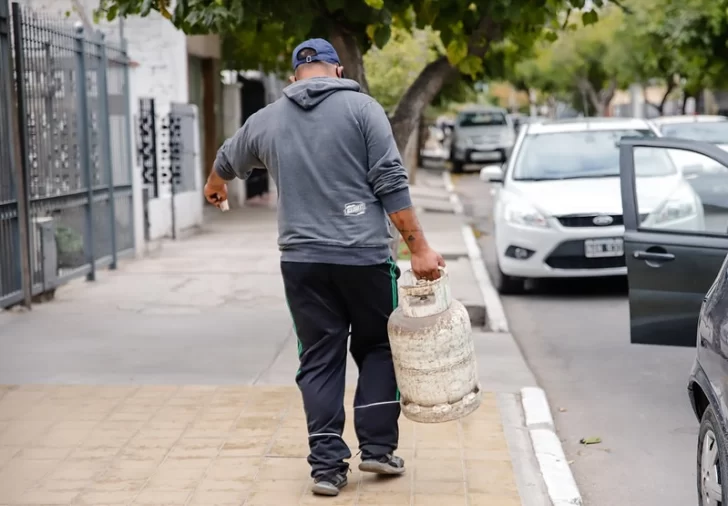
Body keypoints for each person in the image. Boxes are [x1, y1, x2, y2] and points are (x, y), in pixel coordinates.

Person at [203, 38, 445, 497]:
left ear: (295, 76)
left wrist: (216, 186)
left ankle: (327, 467)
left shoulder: (267, 119)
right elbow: (391, 182)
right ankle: (376, 447)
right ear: (336, 70)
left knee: (318, 358)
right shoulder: (363, 109)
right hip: (365, 258)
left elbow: (225, 160)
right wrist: (419, 248)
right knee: (377, 347)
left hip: (302, 263)